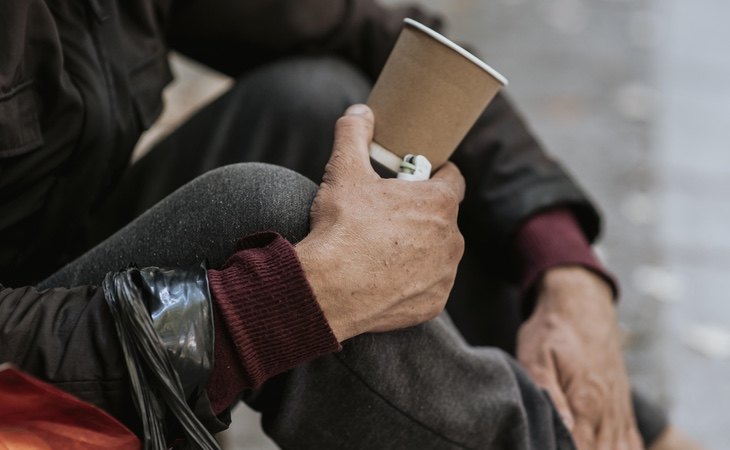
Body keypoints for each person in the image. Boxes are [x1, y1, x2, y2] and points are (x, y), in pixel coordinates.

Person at [0, 0, 694, 448]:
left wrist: (567, 271)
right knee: (267, 217)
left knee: (320, 106)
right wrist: (271, 310)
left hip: (53, 290)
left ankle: (619, 424)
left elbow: (376, 37)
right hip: (19, 398)